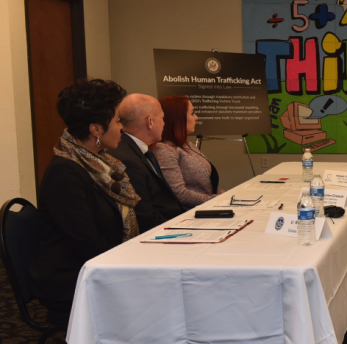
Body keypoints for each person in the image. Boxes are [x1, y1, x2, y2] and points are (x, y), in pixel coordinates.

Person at [28, 78, 138, 319]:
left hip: (92, 266)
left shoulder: (102, 167)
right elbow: (87, 244)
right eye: (118, 120)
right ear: (96, 129)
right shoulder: (65, 174)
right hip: (70, 278)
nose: (122, 127)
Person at [107, 93, 184, 232]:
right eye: (162, 118)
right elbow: (146, 218)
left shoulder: (134, 150)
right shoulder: (127, 159)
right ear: (150, 122)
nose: (164, 123)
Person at [153, 95, 223, 209]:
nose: (196, 117)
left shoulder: (187, 144)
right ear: (178, 118)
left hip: (207, 208)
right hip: (189, 215)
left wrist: (224, 196)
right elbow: (179, 193)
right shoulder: (164, 149)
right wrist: (216, 200)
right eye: (192, 113)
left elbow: (210, 185)